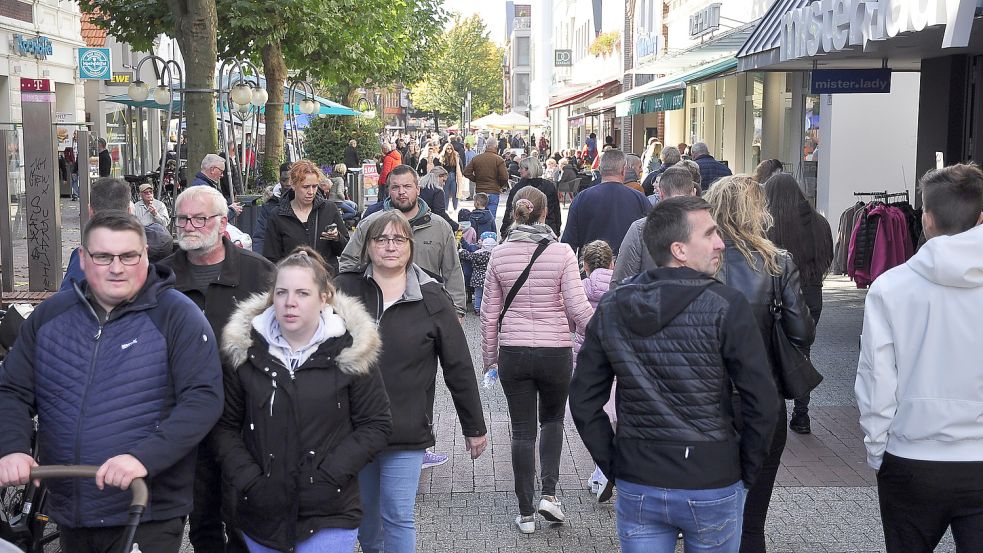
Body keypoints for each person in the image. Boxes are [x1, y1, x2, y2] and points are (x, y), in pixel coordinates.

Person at [0, 211, 224, 553]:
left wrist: (143, 458)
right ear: (82, 259)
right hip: (71, 508)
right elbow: (12, 390)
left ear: (146, 255)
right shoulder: (51, 316)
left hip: (145, 509)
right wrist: (13, 447)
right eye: (103, 256)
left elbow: (203, 399)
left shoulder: (177, 315)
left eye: (128, 256)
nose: (116, 267)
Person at [569, 196, 780, 553]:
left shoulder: (614, 305)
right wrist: (744, 470)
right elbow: (762, 401)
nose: (721, 242)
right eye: (710, 234)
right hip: (711, 477)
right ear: (679, 249)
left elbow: (584, 398)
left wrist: (614, 462)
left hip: (641, 477)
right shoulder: (727, 305)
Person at [211, 247, 392, 553]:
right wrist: (251, 482)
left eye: (302, 293)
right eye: (281, 292)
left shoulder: (350, 352)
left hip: (330, 510)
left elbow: (376, 424)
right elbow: (225, 427)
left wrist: (329, 475)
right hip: (261, 511)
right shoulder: (244, 351)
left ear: (324, 298)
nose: (290, 302)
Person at [334, 211, 488, 553]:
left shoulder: (433, 298)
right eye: (381, 239)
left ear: (410, 245)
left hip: (405, 427)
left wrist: (474, 426)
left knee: (398, 515)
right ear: (367, 246)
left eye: (398, 239)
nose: (390, 246)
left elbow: (459, 365)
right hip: (351, 428)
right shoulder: (343, 291)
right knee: (367, 521)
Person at [855, 163, 983, 553]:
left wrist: (879, 452)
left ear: (925, 219)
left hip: (911, 458)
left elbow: (876, 382)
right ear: (981, 218)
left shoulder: (891, 287)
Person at [158, 185, 276, 553]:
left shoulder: (260, 275)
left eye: (200, 218)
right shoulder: (158, 277)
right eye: (182, 218)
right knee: (202, 519)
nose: (189, 226)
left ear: (224, 222)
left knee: (244, 518)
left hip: (245, 421)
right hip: (183, 419)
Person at [704, 175, 815, 553]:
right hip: (760, 401)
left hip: (700, 403)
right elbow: (801, 333)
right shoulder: (777, 262)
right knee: (751, 524)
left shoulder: (695, 262)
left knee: (706, 520)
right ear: (757, 212)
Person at [480, 187, 593, 534]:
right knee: (553, 422)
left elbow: (488, 315)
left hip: (513, 352)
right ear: (545, 214)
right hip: (556, 351)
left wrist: (490, 360)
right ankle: (549, 495)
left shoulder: (498, 255)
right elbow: (578, 309)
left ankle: (525, 512)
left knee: (522, 431)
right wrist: (610, 333)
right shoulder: (562, 254)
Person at [340, 164, 467, 317]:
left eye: (407, 186)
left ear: (418, 189)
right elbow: (348, 263)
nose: (401, 192)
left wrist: (458, 311)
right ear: (388, 190)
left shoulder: (440, 227)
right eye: (395, 187)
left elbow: (452, 270)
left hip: (428, 310)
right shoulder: (370, 224)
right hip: (381, 310)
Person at [764, 173, 833, 434]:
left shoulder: (767, 225)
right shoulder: (819, 223)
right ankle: (802, 415)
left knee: (772, 353)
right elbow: (828, 257)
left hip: (776, 296)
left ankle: (775, 414)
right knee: (803, 352)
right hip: (812, 294)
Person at [611, 167, 700, 286]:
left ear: (661, 194)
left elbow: (620, 283)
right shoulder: (710, 231)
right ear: (693, 193)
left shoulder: (640, 228)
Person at [263, 160, 349, 274]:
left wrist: (337, 238)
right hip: (293, 282)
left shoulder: (329, 209)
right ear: (293, 185)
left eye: (314, 186)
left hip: (326, 281)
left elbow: (345, 249)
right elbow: (271, 258)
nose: (311, 192)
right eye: (305, 187)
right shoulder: (277, 215)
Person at [561, 149, 650, 254]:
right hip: (627, 265)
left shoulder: (581, 198)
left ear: (600, 169)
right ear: (623, 170)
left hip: (591, 264)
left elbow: (569, 242)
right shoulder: (639, 198)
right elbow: (650, 237)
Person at [59, 177, 134, 291]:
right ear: (129, 211)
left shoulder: (82, 257)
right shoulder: (155, 254)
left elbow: (65, 302)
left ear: (90, 212)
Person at [501, 157, 562, 237]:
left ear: (528, 169)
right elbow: (556, 210)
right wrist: (556, 230)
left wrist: (504, 232)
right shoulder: (549, 186)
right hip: (546, 229)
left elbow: (510, 211)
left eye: (521, 168)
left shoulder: (518, 187)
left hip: (521, 231)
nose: (519, 171)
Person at [192, 154, 243, 221]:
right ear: (212, 169)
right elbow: (213, 218)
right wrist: (232, 210)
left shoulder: (203, 185)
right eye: (221, 171)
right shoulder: (204, 189)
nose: (222, 175)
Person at [252, 164, 289, 254]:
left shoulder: (309, 204)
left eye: (292, 179)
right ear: (280, 181)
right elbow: (260, 237)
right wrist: (261, 262)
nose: (288, 183)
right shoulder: (270, 206)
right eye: (284, 180)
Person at [459, 231, 496, 314]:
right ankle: (487, 309)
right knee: (488, 295)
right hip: (489, 278)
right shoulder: (494, 255)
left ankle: (477, 308)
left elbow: (468, 255)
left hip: (477, 278)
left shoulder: (478, 254)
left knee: (478, 295)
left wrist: (461, 251)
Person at [435, 142, 462, 212]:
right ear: (445, 149)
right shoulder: (442, 157)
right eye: (447, 149)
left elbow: (460, 166)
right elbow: (438, 165)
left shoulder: (455, 156)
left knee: (455, 193)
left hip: (453, 176)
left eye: (450, 148)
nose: (449, 150)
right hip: (445, 176)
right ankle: (445, 208)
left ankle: (455, 208)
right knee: (445, 193)